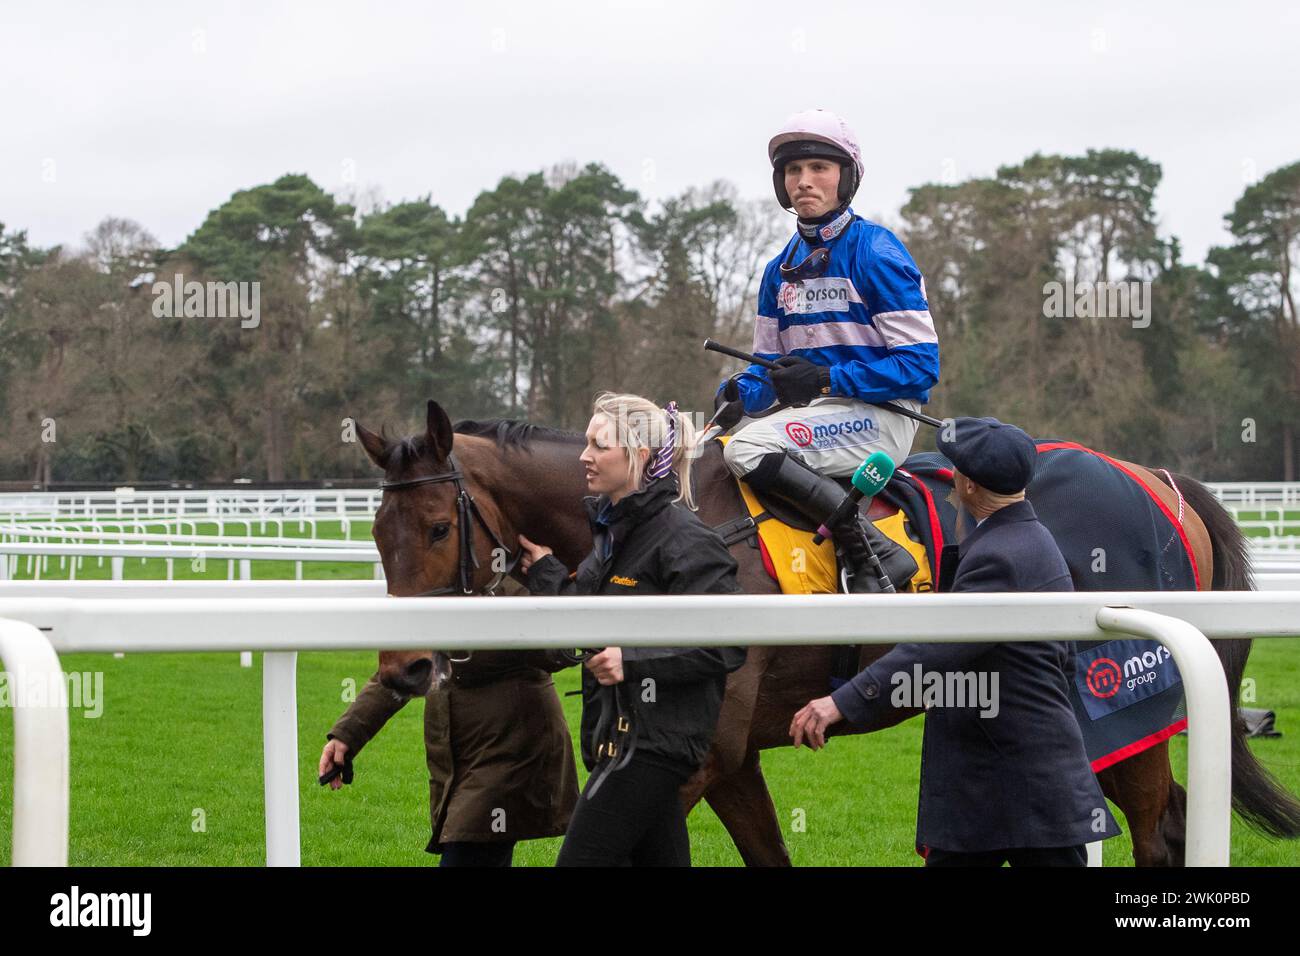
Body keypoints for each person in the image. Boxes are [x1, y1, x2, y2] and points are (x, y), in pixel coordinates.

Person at [789, 417, 1121, 866]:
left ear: (966, 484)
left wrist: (839, 703)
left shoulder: (1000, 555)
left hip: (1022, 783)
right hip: (1001, 781)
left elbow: (933, 651)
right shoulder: (1027, 538)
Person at [713, 107, 940, 592]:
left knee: (749, 448)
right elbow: (769, 371)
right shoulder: (779, 270)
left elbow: (920, 367)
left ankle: (873, 550)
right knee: (715, 450)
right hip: (819, 417)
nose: (804, 181)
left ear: (846, 178)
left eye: (819, 168)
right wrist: (738, 393)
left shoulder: (875, 252)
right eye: (793, 171)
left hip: (882, 416)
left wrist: (826, 379)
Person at [518, 391, 747, 867]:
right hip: (618, 739)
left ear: (638, 455)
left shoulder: (687, 539)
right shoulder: (611, 534)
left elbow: (725, 647)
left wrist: (632, 659)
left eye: (599, 445)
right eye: (586, 443)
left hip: (651, 746)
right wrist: (544, 572)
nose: (584, 456)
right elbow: (587, 621)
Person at [321, 628, 579, 867]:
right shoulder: (436, 589)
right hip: (458, 755)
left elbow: (557, 654)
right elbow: (404, 668)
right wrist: (347, 735)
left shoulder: (515, 581)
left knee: (468, 847)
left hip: (515, 745)